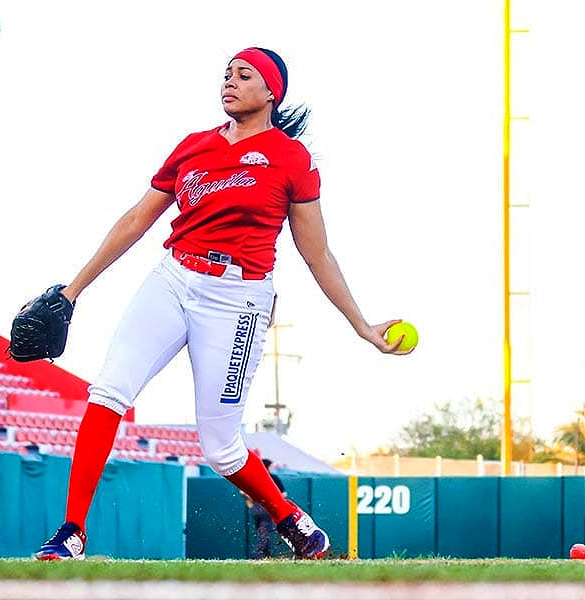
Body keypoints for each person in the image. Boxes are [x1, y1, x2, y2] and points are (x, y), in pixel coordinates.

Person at [34, 47, 412, 561]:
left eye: (244, 74)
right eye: (226, 74)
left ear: (271, 90)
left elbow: (315, 250)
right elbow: (135, 220)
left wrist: (362, 325)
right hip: (173, 277)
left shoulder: (290, 158)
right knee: (108, 390)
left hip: (238, 298)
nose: (229, 82)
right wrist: (72, 290)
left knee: (220, 446)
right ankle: (72, 531)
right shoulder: (192, 147)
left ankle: (289, 518)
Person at [242, 458, 287, 559]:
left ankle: (266, 555)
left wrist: (250, 503)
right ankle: (257, 555)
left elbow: (243, 492)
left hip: (256, 508)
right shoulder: (272, 477)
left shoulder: (255, 476)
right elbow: (283, 494)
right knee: (264, 533)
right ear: (268, 467)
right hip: (267, 508)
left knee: (261, 531)